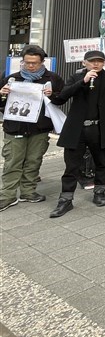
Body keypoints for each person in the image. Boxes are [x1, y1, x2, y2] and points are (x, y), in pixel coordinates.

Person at [49, 50, 105, 218]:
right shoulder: (77, 77)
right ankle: (65, 199)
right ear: (84, 63)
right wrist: (83, 81)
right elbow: (61, 97)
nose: (96, 64)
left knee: (102, 162)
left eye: (100, 61)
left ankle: (99, 192)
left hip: (100, 128)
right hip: (77, 128)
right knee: (71, 165)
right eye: (92, 61)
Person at [0, 45, 64, 212]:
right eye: (26, 62)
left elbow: (62, 99)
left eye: (34, 63)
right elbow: (2, 105)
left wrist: (53, 95)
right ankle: (7, 195)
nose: (30, 66)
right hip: (15, 128)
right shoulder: (12, 79)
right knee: (12, 162)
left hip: (40, 128)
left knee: (34, 161)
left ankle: (28, 192)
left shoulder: (53, 79)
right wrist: (2, 94)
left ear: (42, 62)